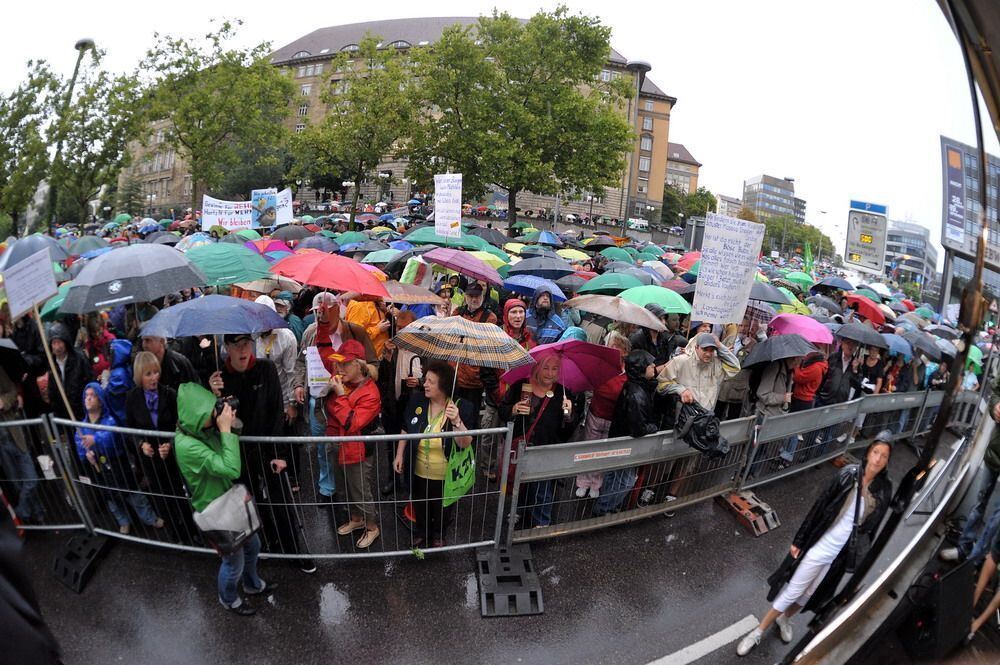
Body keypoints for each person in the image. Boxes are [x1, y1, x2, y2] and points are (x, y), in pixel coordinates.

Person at [737, 433, 893, 657]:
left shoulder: (883, 490)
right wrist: (799, 540)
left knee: (809, 595)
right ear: (868, 452)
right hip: (821, 546)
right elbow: (819, 507)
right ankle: (758, 631)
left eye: (884, 456)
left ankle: (785, 619)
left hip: (839, 557)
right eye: (876, 452)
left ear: (888, 461)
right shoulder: (848, 475)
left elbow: (871, 531)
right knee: (793, 591)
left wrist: (859, 567)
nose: (878, 459)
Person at [210, 333, 314, 572]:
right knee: (249, 501)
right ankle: (265, 543)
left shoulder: (266, 369)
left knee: (281, 499)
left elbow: (277, 411)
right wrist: (214, 396)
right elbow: (220, 422)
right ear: (226, 347)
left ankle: (294, 550)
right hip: (239, 452)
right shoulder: (220, 377)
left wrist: (279, 452)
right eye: (236, 345)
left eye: (246, 343)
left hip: (268, 448)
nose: (242, 350)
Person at [174, 382, 273, 616]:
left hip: (227, 499)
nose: (216, 416)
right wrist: (225, 430)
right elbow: (231, 468)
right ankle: (228, 598)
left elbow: (234, 436)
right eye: (211, 412)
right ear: (197, 417)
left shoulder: (198, 429)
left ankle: (251, 584)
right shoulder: (187, 446)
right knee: (233, 562)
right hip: (214, 509)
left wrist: (231, 422)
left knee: (254, 544)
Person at [393, 361, 475, 546]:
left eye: (430, 381)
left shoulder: (462, 407)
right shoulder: (417, 400)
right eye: (425, 380)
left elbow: (465, 443)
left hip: (444, 473)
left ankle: (439, 534)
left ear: (444, 386)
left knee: (442, 508)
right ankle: (422, 532)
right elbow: (406, 428)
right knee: (420, 504)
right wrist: (399, 455)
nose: (425, 384)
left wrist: (457, 421)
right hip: (418, 468)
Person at [125, 351, 198, 544]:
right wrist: (141, 445)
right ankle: (176, 535)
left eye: (156, 372)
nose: (154, 378)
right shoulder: (132, 398)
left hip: (172, 458)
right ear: (139, 375)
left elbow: (182, 425)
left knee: (180, 496)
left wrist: (171, 444)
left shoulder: (170, 394)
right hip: (150, 461)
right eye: (148, 374)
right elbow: (130, 429)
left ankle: (192, 533)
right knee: (162, 499)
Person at [74, 382, 163, 535]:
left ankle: (149, 518)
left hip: (118, 466)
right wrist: (86, 454)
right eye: (86, 396)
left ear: (101, 400)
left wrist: (96, 440)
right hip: (100, 471)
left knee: (133, 494)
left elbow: (111, 438)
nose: (88, 398)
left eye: (93, 395)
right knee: (111, 499)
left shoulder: (109, 420)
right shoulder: (82, 426)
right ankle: (123, 521)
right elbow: (79, 445)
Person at [500, 355, 576, 527]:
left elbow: (567, 431)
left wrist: (568, 414)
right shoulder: (521, 385)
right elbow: (502, 412)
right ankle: (518, 509)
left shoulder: (563, 393)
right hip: (521, 447)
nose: (550, 373)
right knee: (519, 483)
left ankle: (541, 522)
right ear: (536, 368)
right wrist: (513, 409)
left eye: (555, 368)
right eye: (546, 368)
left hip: (546, 449)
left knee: (543, 488)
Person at [324, 340, 381, 549]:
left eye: (345, 364)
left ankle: (372, 527)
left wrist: (340, 396)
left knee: (361, 490)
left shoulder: (370, 392)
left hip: (359, 450)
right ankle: (356, 520)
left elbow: (352, 422)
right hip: (340, 445)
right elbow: (332, 409)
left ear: (359, 365)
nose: (339, 369)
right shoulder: (344, 382)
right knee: (345, 487)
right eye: (338, 363)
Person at [940, 374, 1000, 564]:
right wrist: (995, 406)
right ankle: (964, 548)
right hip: (995, 451)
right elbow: (995, 391)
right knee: (979, 502)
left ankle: (975, 559)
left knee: (997, 517)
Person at [593, 350, 659, 516]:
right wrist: (654, 427)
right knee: (625, 481)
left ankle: (606, 506)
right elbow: (639, 428)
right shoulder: (636, 394)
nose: (654, 367)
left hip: (619, 440)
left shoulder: (634, 386)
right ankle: (604, 509)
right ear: (641, 368)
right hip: (625, 445)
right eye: (650, 365)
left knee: (613, 477)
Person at [575, 332, 629, 498]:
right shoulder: (601, 366)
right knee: (589, 449)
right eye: (610, 346)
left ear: (624, 351)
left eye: (615, 347)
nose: (611, 350)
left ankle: (596, 484)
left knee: (604, 452)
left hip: (613, 418)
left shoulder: (628, 370)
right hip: (596, 414)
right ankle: (583, 482)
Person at [453, 282, 500, 429]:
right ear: (465, 296)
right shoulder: (457, 312)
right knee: (453, 418)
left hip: (474, 378)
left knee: (470, 419)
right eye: (471, 296)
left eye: (477, 296)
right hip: (455, 374)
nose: (474, 299)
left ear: (482, 297)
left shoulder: (489, 316)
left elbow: (483, 340)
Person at [0, 365, 43, 523]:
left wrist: (3, 402)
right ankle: (37, 514)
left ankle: (21, 513)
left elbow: (12, 392)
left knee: (31, 479)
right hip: (2, 446)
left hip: (14, 434)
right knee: (17, 484)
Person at [657, 333, 741, 412]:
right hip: (683, 417)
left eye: (711, 350)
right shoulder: (681, 361)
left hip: (705, 418)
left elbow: (735, 367)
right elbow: (662, 384)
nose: (708, 354)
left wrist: (720, 346)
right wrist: (681, 390)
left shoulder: (716, 363)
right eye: (704, 349)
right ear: (696, 347)